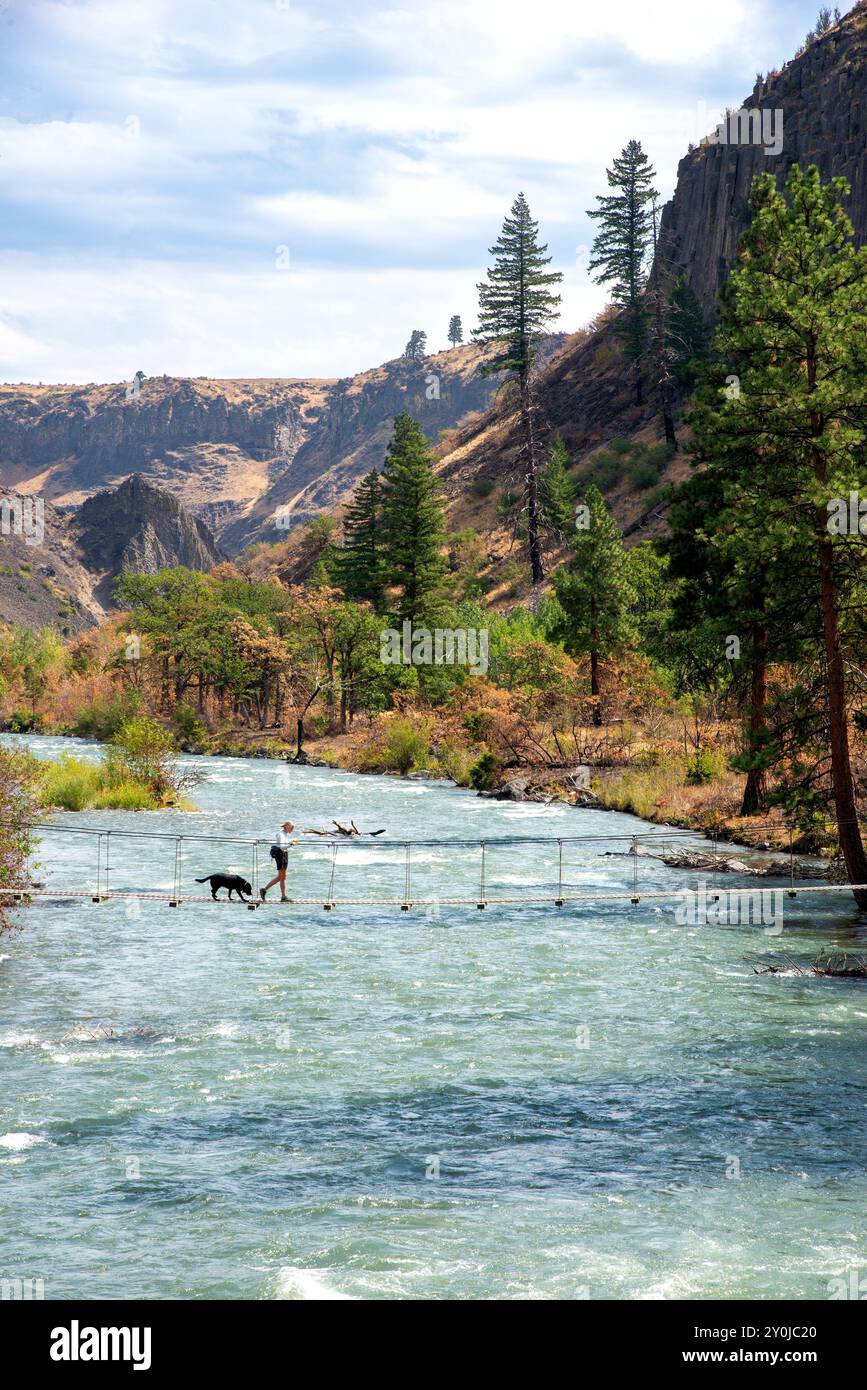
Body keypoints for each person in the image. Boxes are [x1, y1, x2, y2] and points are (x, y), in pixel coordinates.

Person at [261, 821, 296, 902]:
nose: (292, 829)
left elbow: (284, 844)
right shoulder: (280, 834)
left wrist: (291, 841)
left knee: (282, 876)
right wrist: (291, 844)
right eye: (292, 827)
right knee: (282, 877)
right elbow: (282, 847)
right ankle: (281, 896)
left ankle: (267, 890)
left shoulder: (285, 834)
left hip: (284, 854)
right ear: (286, 826)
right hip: (281, 855)